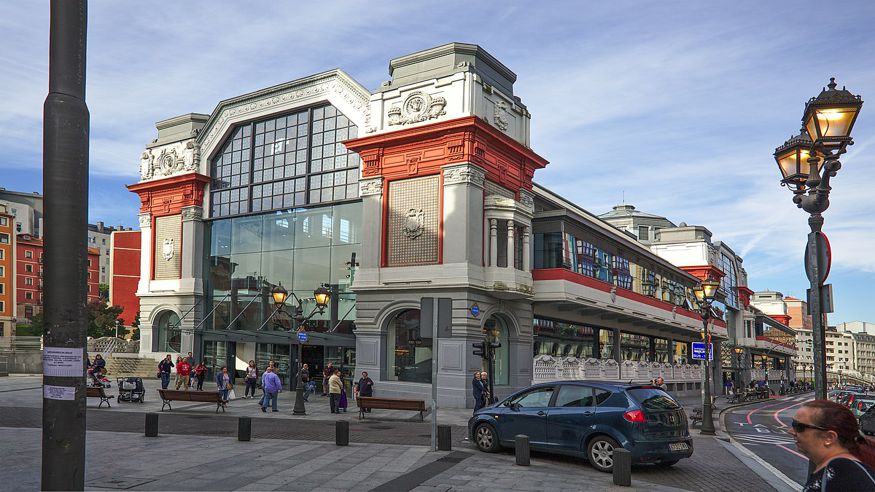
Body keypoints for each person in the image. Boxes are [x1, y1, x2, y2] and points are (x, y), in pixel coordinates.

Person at [791, 400, 875, 491]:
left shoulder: (841, 473)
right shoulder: (838, 469)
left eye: (799, 427)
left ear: (829, 437)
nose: (791, 431)